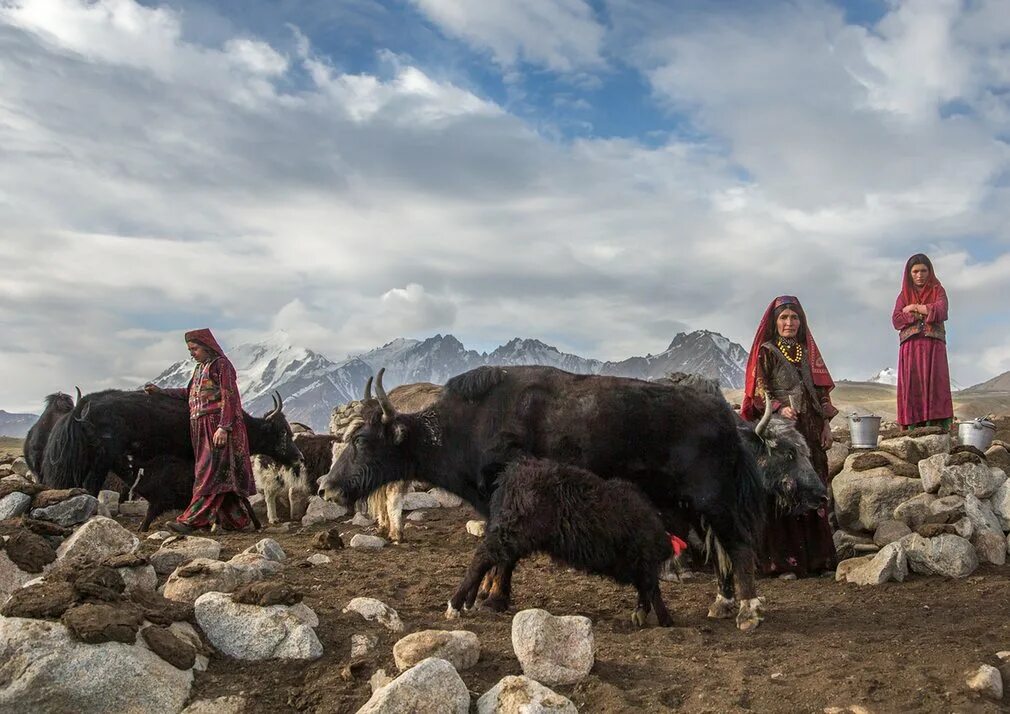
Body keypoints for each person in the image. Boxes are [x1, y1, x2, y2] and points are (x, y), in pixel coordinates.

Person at [740, 296, 838, 577]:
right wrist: (780, 409)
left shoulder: (807, 353)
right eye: (784, 318)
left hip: (809, 428)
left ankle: (818, 561)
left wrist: (825, 426)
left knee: (813, 486)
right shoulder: (766, 351)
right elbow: (759, 390)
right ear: (775, 322)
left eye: (794, 318)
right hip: (781, 431)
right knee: (784, 489)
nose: (789, 323)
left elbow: (820, 394)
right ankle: (783, 562)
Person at [144, 329, 256, 533]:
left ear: (206, 347)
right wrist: (161, 392)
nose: (191, 353)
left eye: (194, 348)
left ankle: (191, 521)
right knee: (219, 475)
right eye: (190, 349)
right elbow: (189, 393)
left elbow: (230, 397)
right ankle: (239, 521)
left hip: (217, 426)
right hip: (201, 427)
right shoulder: (200, 369)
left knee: (209, 474)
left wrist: (224, 427)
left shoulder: (222, 365)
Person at [891, 254, 953, 430]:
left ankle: (937, 424)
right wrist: (925, 312)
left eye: (923, 270)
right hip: (910, 348)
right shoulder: (903, 294)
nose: (920, 275)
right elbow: (896, 320)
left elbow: (941, 311)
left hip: (934, 347)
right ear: (909, 273)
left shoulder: (938, 290)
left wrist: (913, 308)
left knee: (936, 383)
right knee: (913, 384)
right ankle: (913, 425)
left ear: (930, 271)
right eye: (915, 271)